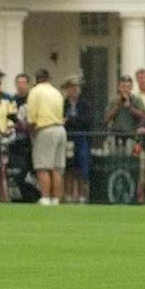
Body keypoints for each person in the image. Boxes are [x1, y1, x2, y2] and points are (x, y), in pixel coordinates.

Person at [25, 69, 67, 206]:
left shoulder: (35, 91)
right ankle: (56, 199)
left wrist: (31, 131)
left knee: (43, 166)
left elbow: (32, 116)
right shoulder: (56, 92)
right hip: (60, 129)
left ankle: (45, 197)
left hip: (45, 128)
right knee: (57, 168)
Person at [62, 77, 94, 205]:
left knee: (82, 167)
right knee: (69, 167)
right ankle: (68, 195)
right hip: (68, 139)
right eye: (71, 87)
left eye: (76, 87)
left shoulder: (85, 104)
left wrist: (70, 120)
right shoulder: (63, 104)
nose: (74, 90)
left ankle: (81, 195)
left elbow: (86, 121)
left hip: (82, 138)